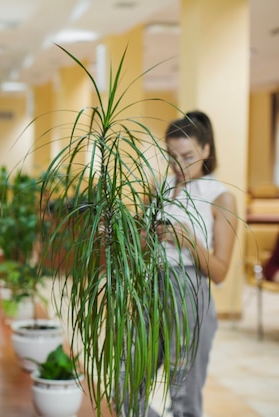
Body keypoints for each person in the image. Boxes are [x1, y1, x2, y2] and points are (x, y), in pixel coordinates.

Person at [119, 110, 237, 417]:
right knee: (124, 385)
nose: (178, 166)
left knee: (184, 398)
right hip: (151, 289)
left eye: (187, 156)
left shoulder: (220, 197)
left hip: (190, 295)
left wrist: (187, 241)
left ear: (207, 150)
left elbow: (221, 271)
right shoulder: (161, 188)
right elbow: (143, 246)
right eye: (171, 156)